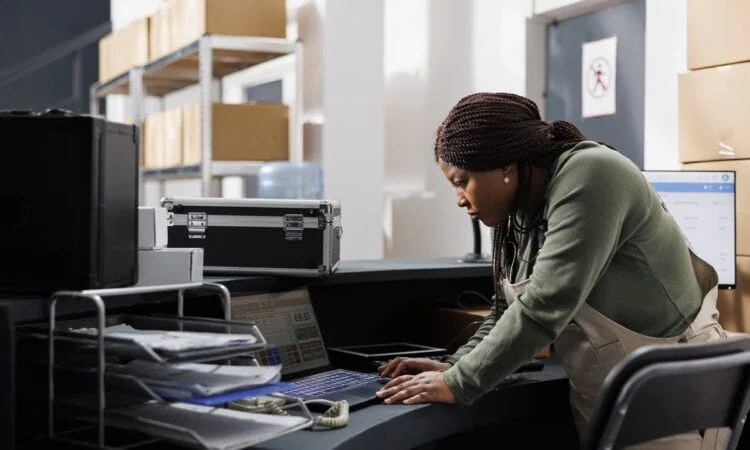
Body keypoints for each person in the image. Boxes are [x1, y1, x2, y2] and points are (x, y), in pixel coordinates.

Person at [375, 92, 728, 449]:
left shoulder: (593, 173)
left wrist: (460, 382)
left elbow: (546, 303)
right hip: (611, 393)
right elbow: (507, 313)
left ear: (504, 166)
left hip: (672, 394)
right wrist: (455, 365)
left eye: (461, 180)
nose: (459, 198)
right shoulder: (519, 214)